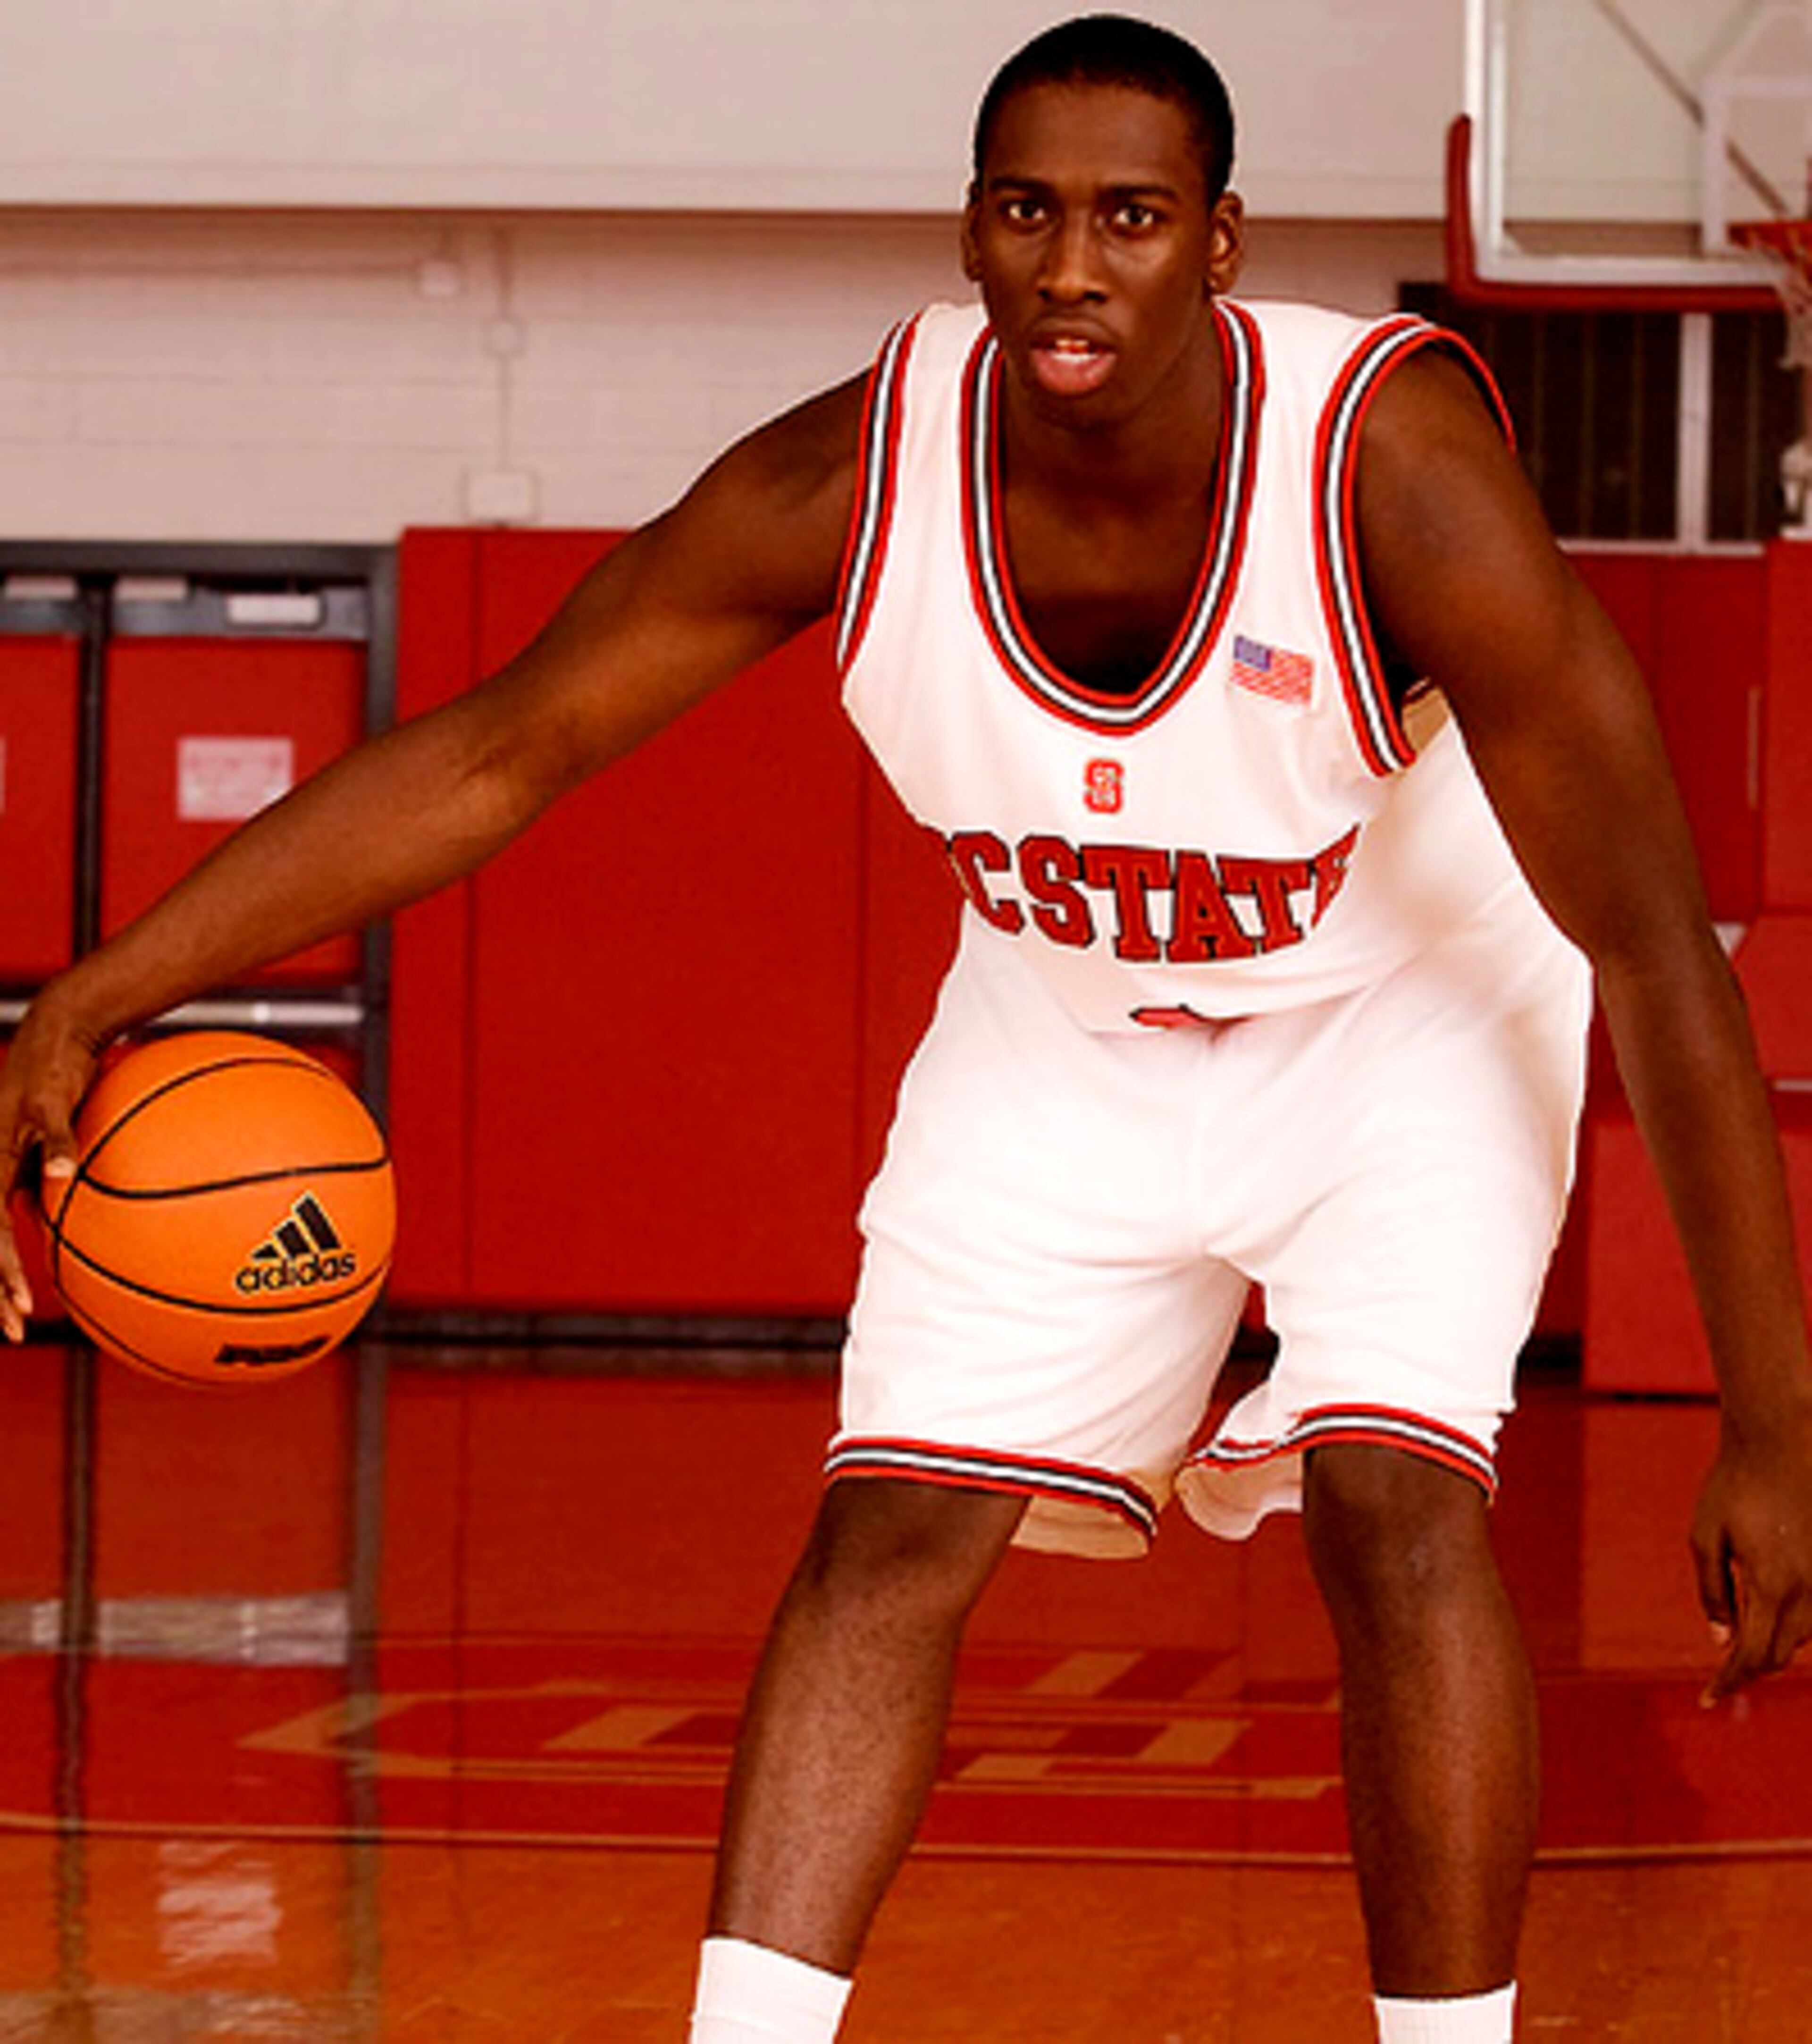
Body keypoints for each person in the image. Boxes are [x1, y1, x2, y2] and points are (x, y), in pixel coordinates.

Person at [2, 15, 1810, 2041]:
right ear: (967, 228)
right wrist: (97, 990)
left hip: (1409, 1017)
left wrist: (1775, 1419)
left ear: (1220, 242)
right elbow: (502, 751)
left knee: (1396, 1510)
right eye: (1027, 210)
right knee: (887, 1532)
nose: (1069, 266)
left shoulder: (1391, 470)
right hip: (1063, 1024)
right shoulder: (854, 476)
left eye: (1129, 215)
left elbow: (1656, 948)